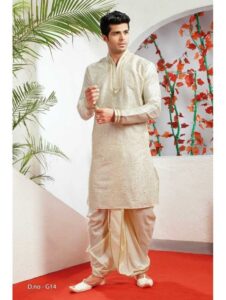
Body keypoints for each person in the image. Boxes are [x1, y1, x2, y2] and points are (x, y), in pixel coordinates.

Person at [69, 10, 161, 293]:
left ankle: (141, 269)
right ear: (104, 36)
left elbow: (154, 108)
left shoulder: (144, 67)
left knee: (142, 213)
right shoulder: (93, 70)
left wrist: (117, 114)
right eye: (116, 33)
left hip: (134, 154)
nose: (122, 38)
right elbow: (84, 113)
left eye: (125, 32)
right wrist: (87, 101)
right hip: (105, 155)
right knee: (98, 215)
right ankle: (97, 272)